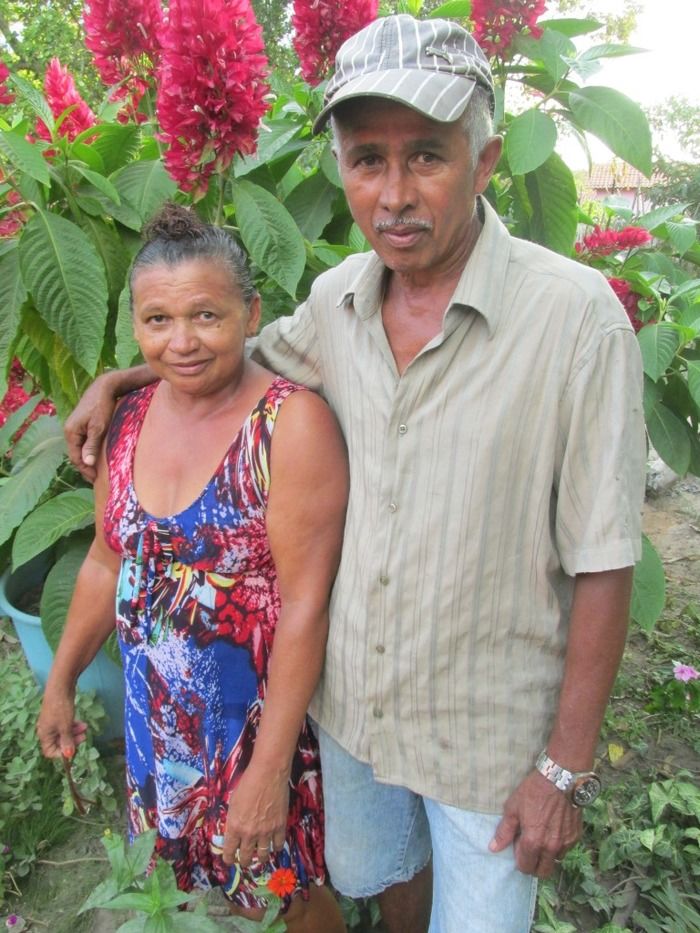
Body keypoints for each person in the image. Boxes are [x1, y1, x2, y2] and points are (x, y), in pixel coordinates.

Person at [64, 14, 647, 933]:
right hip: (356, 719)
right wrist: (123, 376)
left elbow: (606, 559)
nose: (394, 193)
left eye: (427, 156)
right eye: (367, 159)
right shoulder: (337, 301)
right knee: (382, 882)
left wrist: (563, 769)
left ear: (487, 160)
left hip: (486, 734)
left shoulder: (575, 321)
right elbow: (230, 353)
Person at [37, 204, 348, 932]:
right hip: (162, 724)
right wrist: (60, 681)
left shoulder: (289, 425)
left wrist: (268, 772)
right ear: (137, 327)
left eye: (205, 315)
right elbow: (106, 559)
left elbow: (306, 607)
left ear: (250, 312)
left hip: (257, 729)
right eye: (157, 320)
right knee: (195, 879)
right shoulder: (131, 417)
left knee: (285, 884)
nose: (181, 342)